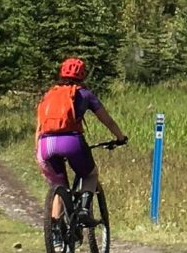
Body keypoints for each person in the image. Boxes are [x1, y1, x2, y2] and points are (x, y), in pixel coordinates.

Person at [35, 56, 126, 222]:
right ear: (83, 75)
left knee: (59, 186)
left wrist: (38, 151)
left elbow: (40, 125)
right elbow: (107, 120)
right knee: (90, 174)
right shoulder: (84, 94)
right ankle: (84, 209)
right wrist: (120, 137)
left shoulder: (49, 94)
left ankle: (56, 234)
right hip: (71, 142)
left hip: (45, 144)